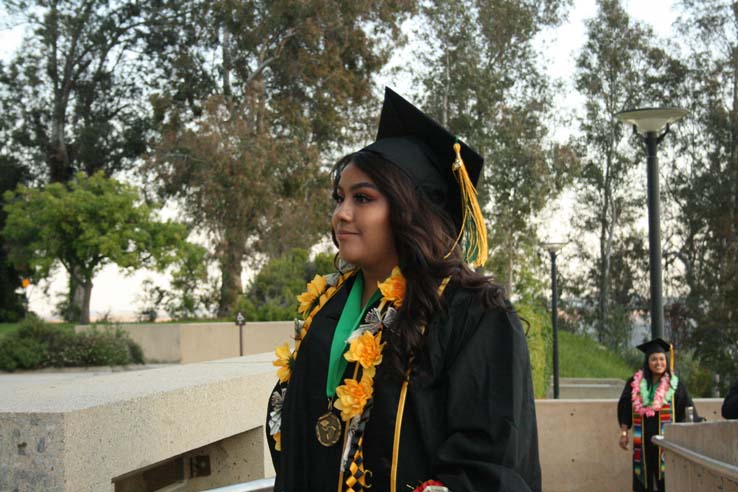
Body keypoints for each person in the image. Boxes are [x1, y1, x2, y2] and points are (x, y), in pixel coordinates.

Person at [266, 88, 541, 492]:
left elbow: (489, 463)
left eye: (363, 198)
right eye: (339, 198)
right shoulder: (326, 306)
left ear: (411, 208)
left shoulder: (473, 312)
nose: (341, 213)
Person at [617, 338, 698, 492]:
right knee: (641, 482)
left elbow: (687, 410)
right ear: (647, 362)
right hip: (642, 442)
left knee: (667, 483)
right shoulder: (634, 383)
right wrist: (623, 433)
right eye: (654, 359)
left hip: (667, 442)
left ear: (666, 361)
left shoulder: (675, 385)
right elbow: (625, 409)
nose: (658, 363)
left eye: (661, 359)